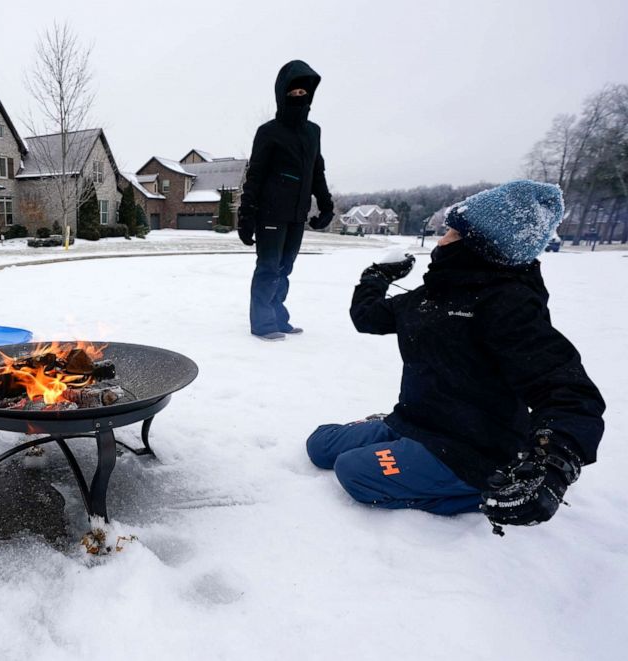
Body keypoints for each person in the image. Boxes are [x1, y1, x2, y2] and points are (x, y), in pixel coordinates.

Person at [305, 181, 605, 532]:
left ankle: (483, 489)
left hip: (470, 448)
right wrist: (376, 277)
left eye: (451, 232)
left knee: (354, 471)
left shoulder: (509, 306)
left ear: (479, 244)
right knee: (320, 445)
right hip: (415, 422)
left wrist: (552, 466)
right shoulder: (432, 296)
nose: (441, 240)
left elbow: (567, 391)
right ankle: (399, 435)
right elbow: (368, 317)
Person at [238, 60, 335, 341]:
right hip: (270, 213)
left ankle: (278, 317)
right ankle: (263, 323)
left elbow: (317, 170)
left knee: (285, 268)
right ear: (282, 94)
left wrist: (326, 206)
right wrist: (246, 216)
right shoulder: (268, 131)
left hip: (297, 214)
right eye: (292, 93)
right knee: (268, 267)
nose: (298, 98)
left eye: (303, 94)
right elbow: (254, 175)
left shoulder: (313, 131)